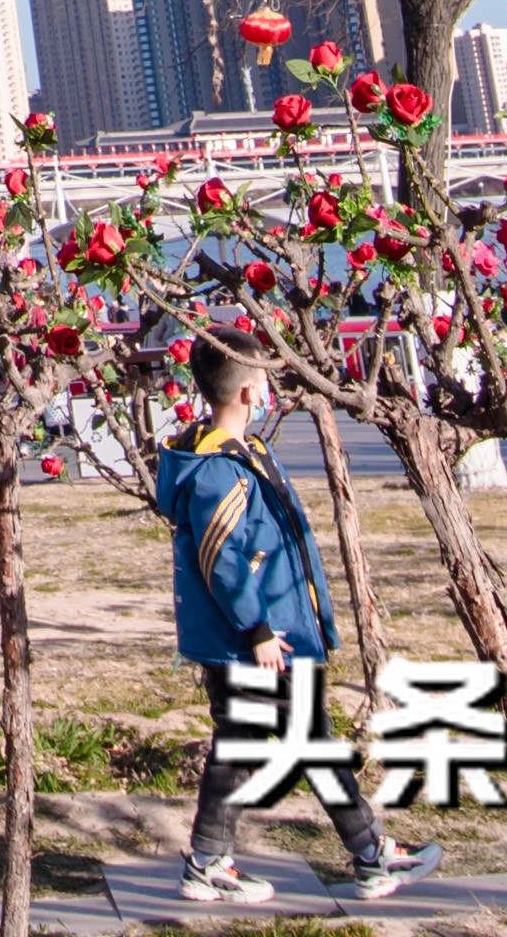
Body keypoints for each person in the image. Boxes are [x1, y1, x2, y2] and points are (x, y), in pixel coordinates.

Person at [148, 331, 423, 906]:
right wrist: (258, 632)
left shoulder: (244, 453)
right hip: (254, 640)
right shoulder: (219, 469)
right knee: (281, 742)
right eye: (265, 380)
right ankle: (361, 854)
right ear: (248, 392)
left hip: (267, 633)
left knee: (277, 741)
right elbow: (222, 562)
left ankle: (361, 850)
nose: (271, 389)